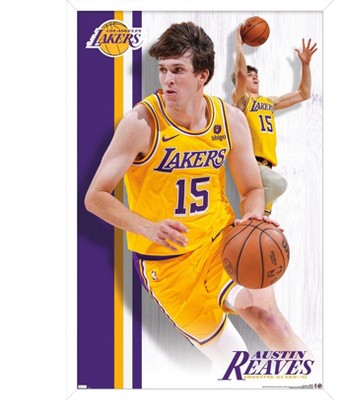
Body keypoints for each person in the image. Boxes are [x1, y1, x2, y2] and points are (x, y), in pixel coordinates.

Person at [85, 21, 312, 374]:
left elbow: (252, 189)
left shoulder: (230, 119)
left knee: (269, 319)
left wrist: (252, 217)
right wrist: (147, 227)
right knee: (236, 365)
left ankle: (316, 383)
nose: (167, 80)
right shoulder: (141, 123)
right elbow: (96, 196)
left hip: (221, 243)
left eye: (178, 70)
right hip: (166, 264)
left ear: (202, 76)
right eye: (163, 70)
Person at [232, 26, 318, 216]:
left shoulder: (269, 102)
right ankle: (248, 212)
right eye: (250, 75)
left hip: (266, 166)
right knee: (278, 184)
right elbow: (240, 74)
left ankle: (247, 217)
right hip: (250, 163)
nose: (254, 76)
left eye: (256, 75)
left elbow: (303, 93)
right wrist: (239, 46)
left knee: (261, 221)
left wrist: (305, 64)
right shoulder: (242, 100)